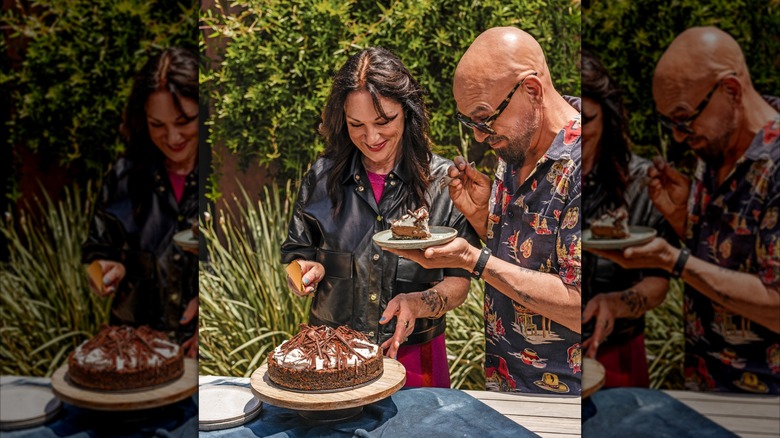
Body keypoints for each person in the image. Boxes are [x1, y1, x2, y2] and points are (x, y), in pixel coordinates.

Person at [384, 27, 582, 394]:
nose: (478, 135)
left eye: (484, 118)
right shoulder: (517, 145)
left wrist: (474, 260)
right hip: (507, 386)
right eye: (469, 122)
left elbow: (581, 304)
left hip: (568, 400)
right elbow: (529, 260)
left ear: (532, 90)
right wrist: (480, 216)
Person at [591, 27, 779, 394]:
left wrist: (673, 261)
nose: (678, 135)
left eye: (683, 118)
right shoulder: (715, 146)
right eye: (669, 123)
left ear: (732, 91)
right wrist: (683, 220)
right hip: (707, 383)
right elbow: (729, 259)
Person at [280, 47, 480, 388]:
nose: (371, 138)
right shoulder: (321, 177)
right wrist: (303, 273)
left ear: (407, 111)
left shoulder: (446, 182)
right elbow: (297, 255)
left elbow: (459, 283)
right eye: (356, 124)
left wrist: (418, 304)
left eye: (383, 121)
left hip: (415, 360)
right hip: (331, 358)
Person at [82, 47, 199, 358]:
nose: (172, 137)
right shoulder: (124, 177)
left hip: (200, 355)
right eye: (156, 125)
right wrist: (105, 270)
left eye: (185, 121)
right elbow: (98, 252)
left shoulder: (224, 176)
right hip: (133, 353)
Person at [580, 51, 674, 387]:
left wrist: (616, 304)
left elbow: (660, 281)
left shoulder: (642, 181)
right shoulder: (546, 178)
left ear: (608, 117)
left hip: (617, 350)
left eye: (587, 120)